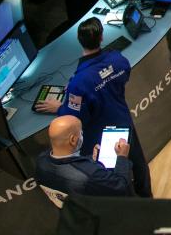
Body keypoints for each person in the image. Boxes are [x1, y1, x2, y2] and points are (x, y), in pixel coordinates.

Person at [35, 18, 152, 197]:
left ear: (79, 40)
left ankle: (130, 205)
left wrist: (59, 108)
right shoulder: (117, 59)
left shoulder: (78, 83)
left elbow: (74, 117)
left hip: (100, 135)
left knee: (114, 178)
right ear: (101, 37)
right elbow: (124, 75)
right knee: (138, 163)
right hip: (124, 122)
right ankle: (147, 197)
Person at [35, 114, 133, 205]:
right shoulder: (91, 175)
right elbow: (121, 187)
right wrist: (122, 157)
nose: (82, 135)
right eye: (81, 133)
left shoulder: (41, 161)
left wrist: (90, 160)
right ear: (73, 140)